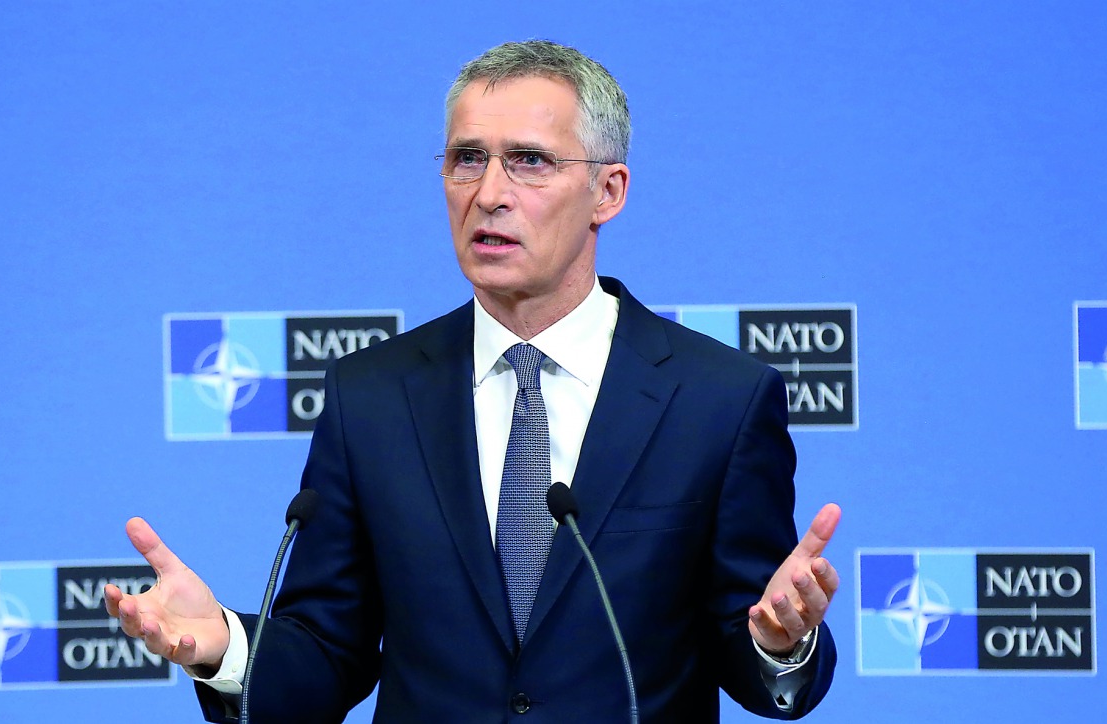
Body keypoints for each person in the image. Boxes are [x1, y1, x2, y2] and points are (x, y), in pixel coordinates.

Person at [106, 39, 841, 723]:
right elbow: (328, 651)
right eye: (466, 159)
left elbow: (751, 653)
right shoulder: (372, 396)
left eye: (528, 161)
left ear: (608, 192)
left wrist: (782, 642)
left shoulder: (718, 399)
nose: (488, 192)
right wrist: (226, 647)